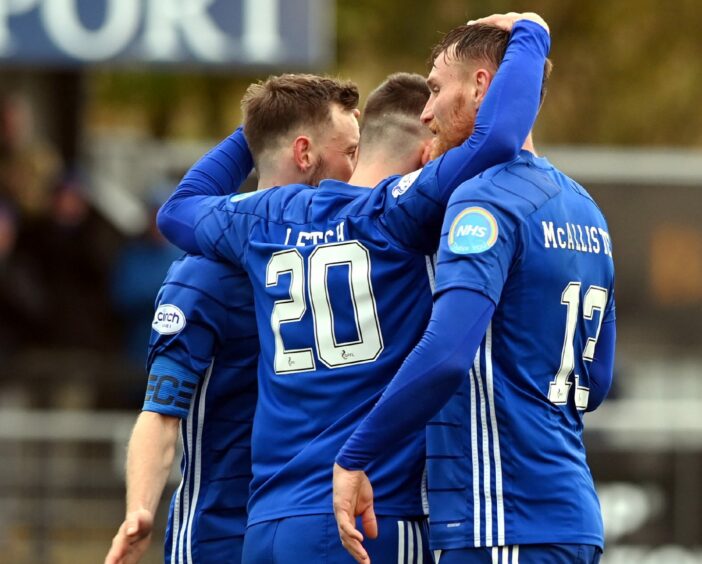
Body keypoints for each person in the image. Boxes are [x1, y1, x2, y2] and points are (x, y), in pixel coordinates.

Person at [156, 13, 549, 564]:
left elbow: (177, 211)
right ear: (421, 159)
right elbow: (498, 139)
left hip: (268, 526)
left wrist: (265, 124)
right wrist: (531, 33)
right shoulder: (395, 215)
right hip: (364, 518)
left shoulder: (265, 218)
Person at [333, 16, 615, 564]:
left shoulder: (483, 199)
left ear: (483, 87)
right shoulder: (585, 207)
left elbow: (445, 354)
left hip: (500, 520)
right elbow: (596, 380)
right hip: (573, 518)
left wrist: (355, 454)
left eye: (437, 88)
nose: (426, 111)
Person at [105, 74, 361, 564]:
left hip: (319, 530)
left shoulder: (353, 264)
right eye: (349, 151)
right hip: (221, 535)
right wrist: (140, 509)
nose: (358, 168)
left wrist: (269, 121)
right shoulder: (207, 274)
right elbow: (159, 414)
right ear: (305, 154)